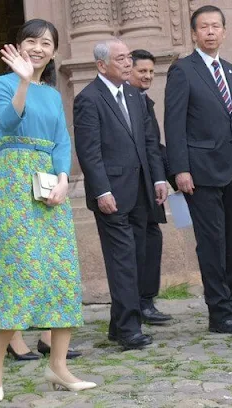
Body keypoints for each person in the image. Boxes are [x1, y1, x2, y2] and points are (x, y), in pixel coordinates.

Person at [0, 19, 95, 401]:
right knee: (21, 270)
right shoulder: (1, 84)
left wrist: (64, 178)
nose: (38, 47)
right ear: (16, 46)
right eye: (31, 40)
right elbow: (6, 122)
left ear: (53, 50)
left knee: (61, 271)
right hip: (14, 179)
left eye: (46, 43)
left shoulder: (52, 93)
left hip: (49, 181)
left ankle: (58, 365)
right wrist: (23, 80)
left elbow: (62, 139)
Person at [164, 5, 232, 335]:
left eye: (215, 26)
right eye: (203, 27)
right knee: (212, 242)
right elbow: (174, 124)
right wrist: (180, 169)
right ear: (193, 33)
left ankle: (231, 305)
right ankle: (218, 312)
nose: (210, 32)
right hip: (200, 173)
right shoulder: (183, 71)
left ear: (224, 32)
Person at [74, 39, 167, 351]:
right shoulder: (88, 98)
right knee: (123, 261)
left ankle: (118, 324)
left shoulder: (134, 94)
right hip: (111, 194)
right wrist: (101, 189)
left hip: (141, 192)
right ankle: (129, 330)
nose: (128, 63)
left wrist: (158, 180)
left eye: (129, 57)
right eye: (121, 59)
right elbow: (89, 152)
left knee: (138, 258)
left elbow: (149, 142)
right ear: (102, 65)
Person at [128, 49, 173, 325]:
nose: (147, 76)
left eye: (150, 72)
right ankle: (136, 305)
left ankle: (147, 300)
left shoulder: (146, 101)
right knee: (137, 246)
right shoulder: (126, 100)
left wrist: (167, 175)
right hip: (131, 188)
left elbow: (154, 146)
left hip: (150, 186)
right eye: (141, 71)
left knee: (152, 242)